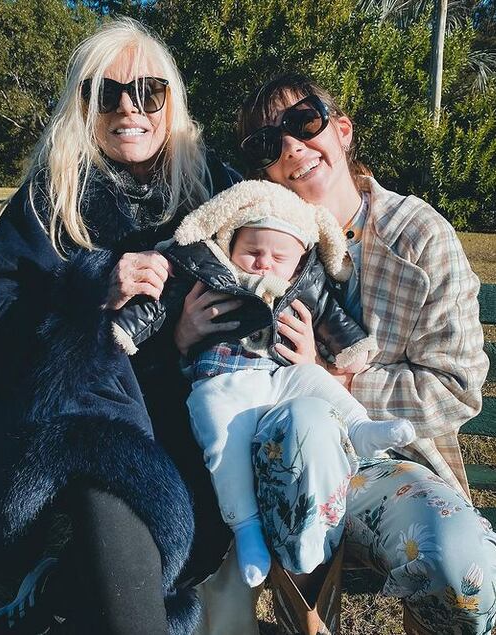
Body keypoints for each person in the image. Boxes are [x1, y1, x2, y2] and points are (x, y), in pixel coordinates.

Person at [174, 74, 496, 634]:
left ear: (342, 130)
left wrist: (329, 380)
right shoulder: (245, 244)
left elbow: (456, 381)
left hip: (389, 464)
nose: (293, 147)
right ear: (261, 173)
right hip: (268, 464)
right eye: (268, 144)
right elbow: (206, 365)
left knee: (464, 569)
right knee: (301, 424)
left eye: (305, 123)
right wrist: (182, 339)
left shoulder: (419, 235)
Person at [0, 17, 241, 635]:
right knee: (106, 464)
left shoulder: (211, 186)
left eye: (148, 91)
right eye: (105, 92)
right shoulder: (52, 195)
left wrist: (186, 339)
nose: (128, 108)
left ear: (171, 102)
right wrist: (88, 289)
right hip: (77, 403)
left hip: (186, 399)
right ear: (82, 105)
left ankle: (49, 601)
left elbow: (262, 273)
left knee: (202, 514)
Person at [111, 178, 416, 589]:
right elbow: (159, 307)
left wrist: (352, 347)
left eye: (279, 256)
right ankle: (247, 528)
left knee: (314, 379)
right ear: (228, 243)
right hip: (223, 384)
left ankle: (360, 430)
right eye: (252, 251)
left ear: (301, 259)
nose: (263, 263)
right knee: (222, 439)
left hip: (281, 380)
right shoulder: (209, 274)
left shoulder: (299, 286)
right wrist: (131, 330)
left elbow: (329, 315)